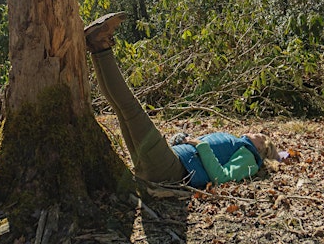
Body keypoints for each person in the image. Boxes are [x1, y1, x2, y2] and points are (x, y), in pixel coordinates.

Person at [84, 12, 281, 188]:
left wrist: (200, 145)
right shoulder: (240, 145)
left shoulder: (249, 158)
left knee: (129, 108)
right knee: (121, 109)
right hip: (168, 163)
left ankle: (101, 45)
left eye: (260, 136)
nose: (256, 132)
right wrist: (181, 139)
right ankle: (97, 46)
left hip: (171, 169)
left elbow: (222, 177)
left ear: (261, 148)